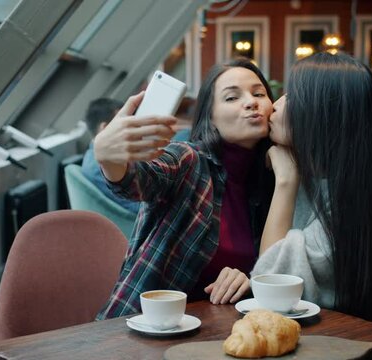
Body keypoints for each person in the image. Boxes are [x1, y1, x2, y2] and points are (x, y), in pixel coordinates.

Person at [252, 52, 372, 335]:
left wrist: (287, 179)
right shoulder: (333, 178)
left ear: (325, 115)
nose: (275, 105)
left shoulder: (358, 206)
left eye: (293, 96)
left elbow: (272, 282)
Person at [94, 58, 275, 319]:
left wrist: (247, 279)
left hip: (216, 333)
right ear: (210, 117)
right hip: (142, 328)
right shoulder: (189, 159)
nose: (251, 101)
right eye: (232, 98)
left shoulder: (270, 179)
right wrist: (110, 158)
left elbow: (276, 268)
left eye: (259, 93)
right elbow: (139, 179)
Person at [81, 98, 140, 214]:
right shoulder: (102, 165)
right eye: (124, 124)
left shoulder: (92, 158)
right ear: (105, 128)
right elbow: (135, 207)